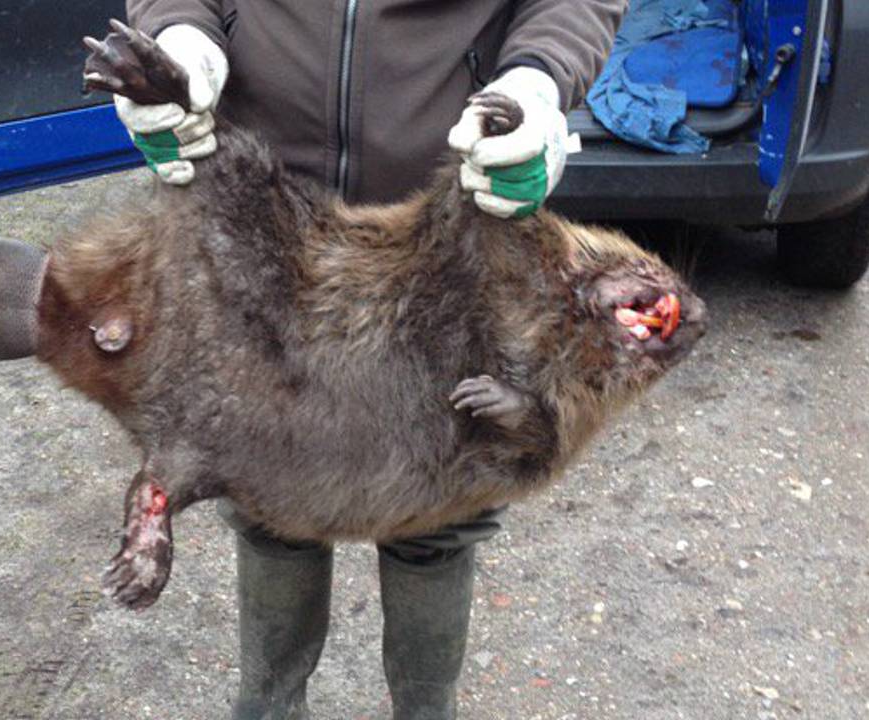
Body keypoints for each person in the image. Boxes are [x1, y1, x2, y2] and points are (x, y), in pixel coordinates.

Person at [116, 2, 625, 718]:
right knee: (271, 500)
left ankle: (425, 710)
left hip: (441, 231)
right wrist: (182, 35)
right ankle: (268, 705)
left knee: (439, 507)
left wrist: (538, 78)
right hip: (265, 228)